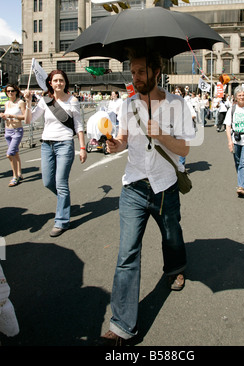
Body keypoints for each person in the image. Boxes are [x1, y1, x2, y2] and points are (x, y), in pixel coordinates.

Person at [100, 50, 195, 346]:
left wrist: (162, 136)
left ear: (157, 71)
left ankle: (176, 268)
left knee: (172, 236)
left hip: (166, 186)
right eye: (132, 72)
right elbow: (124, 140)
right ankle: (122, 325)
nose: (135, 77)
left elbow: (185, 150)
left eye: (141, 71)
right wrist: (115, 145)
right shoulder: (127, 105)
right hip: (134, 187)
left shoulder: (177, 104)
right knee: (127, 253)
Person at [24, 70, 87, 237]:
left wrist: (82, 148)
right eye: (55, 80)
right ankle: (64, 202)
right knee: (47, 182)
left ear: (65, 83)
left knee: (61, 182)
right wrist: (28, 102)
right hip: (46, 145)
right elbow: (29, 120)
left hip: (65, 144)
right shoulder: (45, 101)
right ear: (50, 83)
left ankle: (61, 221)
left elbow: (79, 125)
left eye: (61, 80)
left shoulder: (72, 100)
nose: (58, 83)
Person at [0, 84, 25, 187]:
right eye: (8, 91)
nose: (10, 93)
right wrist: (4, 116)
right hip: (8, 130)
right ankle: (19, 173)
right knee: (15, 153)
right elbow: (7, 115)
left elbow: (25, 117)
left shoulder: (20, 102)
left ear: (16, 91)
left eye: (12, 91)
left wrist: (12, 116)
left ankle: (15, 177)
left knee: (9, 154)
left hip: (17, 131)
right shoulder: (7, 103)